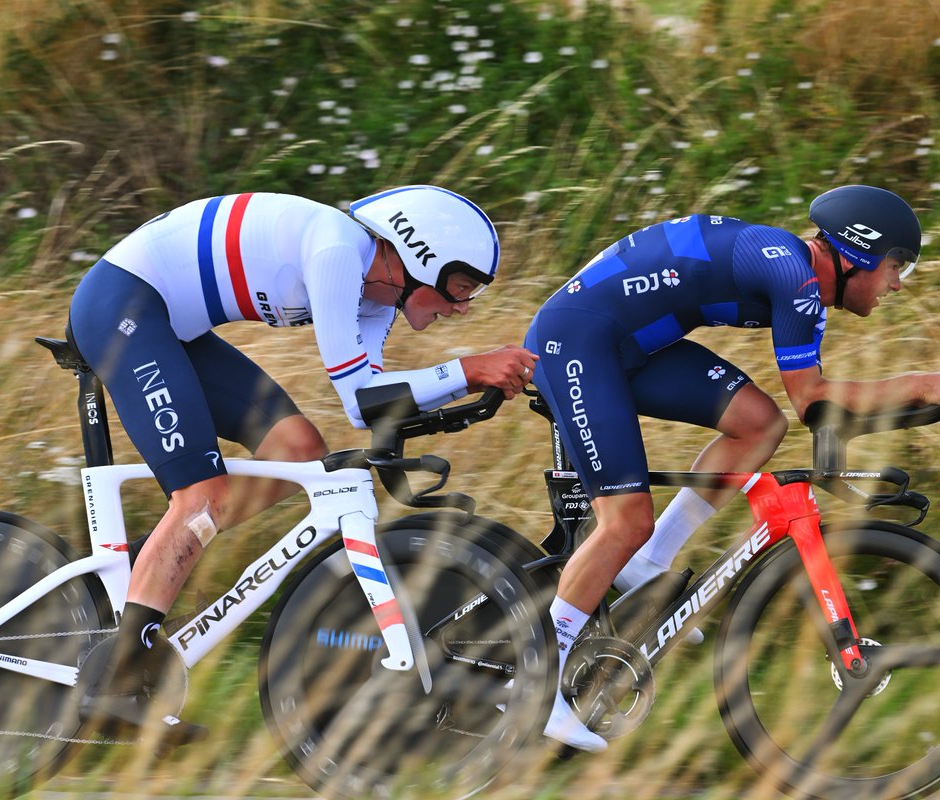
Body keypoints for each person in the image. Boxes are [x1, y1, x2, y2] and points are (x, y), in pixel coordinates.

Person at [67, 185, 539, 743]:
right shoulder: (338, 252)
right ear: (419, 258)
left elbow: (370, 403)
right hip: (124, 307)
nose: (462, 307)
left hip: (169, 326)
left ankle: (156, 562)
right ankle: (116, 683)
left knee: (297, 451)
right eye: (459, 288)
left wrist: (467, 389)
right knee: (202, 497)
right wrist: (468, 369)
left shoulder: (376, 294)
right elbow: (359, 396)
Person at [523, 184, 940, 752]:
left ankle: (652, 560)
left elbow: (815, 413)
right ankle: (539, 680)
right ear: (858, 254)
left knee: (758, 424)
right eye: (896, 267)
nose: (896, 283)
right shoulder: (795, 279)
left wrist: (918, 402)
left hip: (631, 343)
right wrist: (918, 386)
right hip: (577, 339)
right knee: (624, 519)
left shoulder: (800, 279)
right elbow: (816, 403)